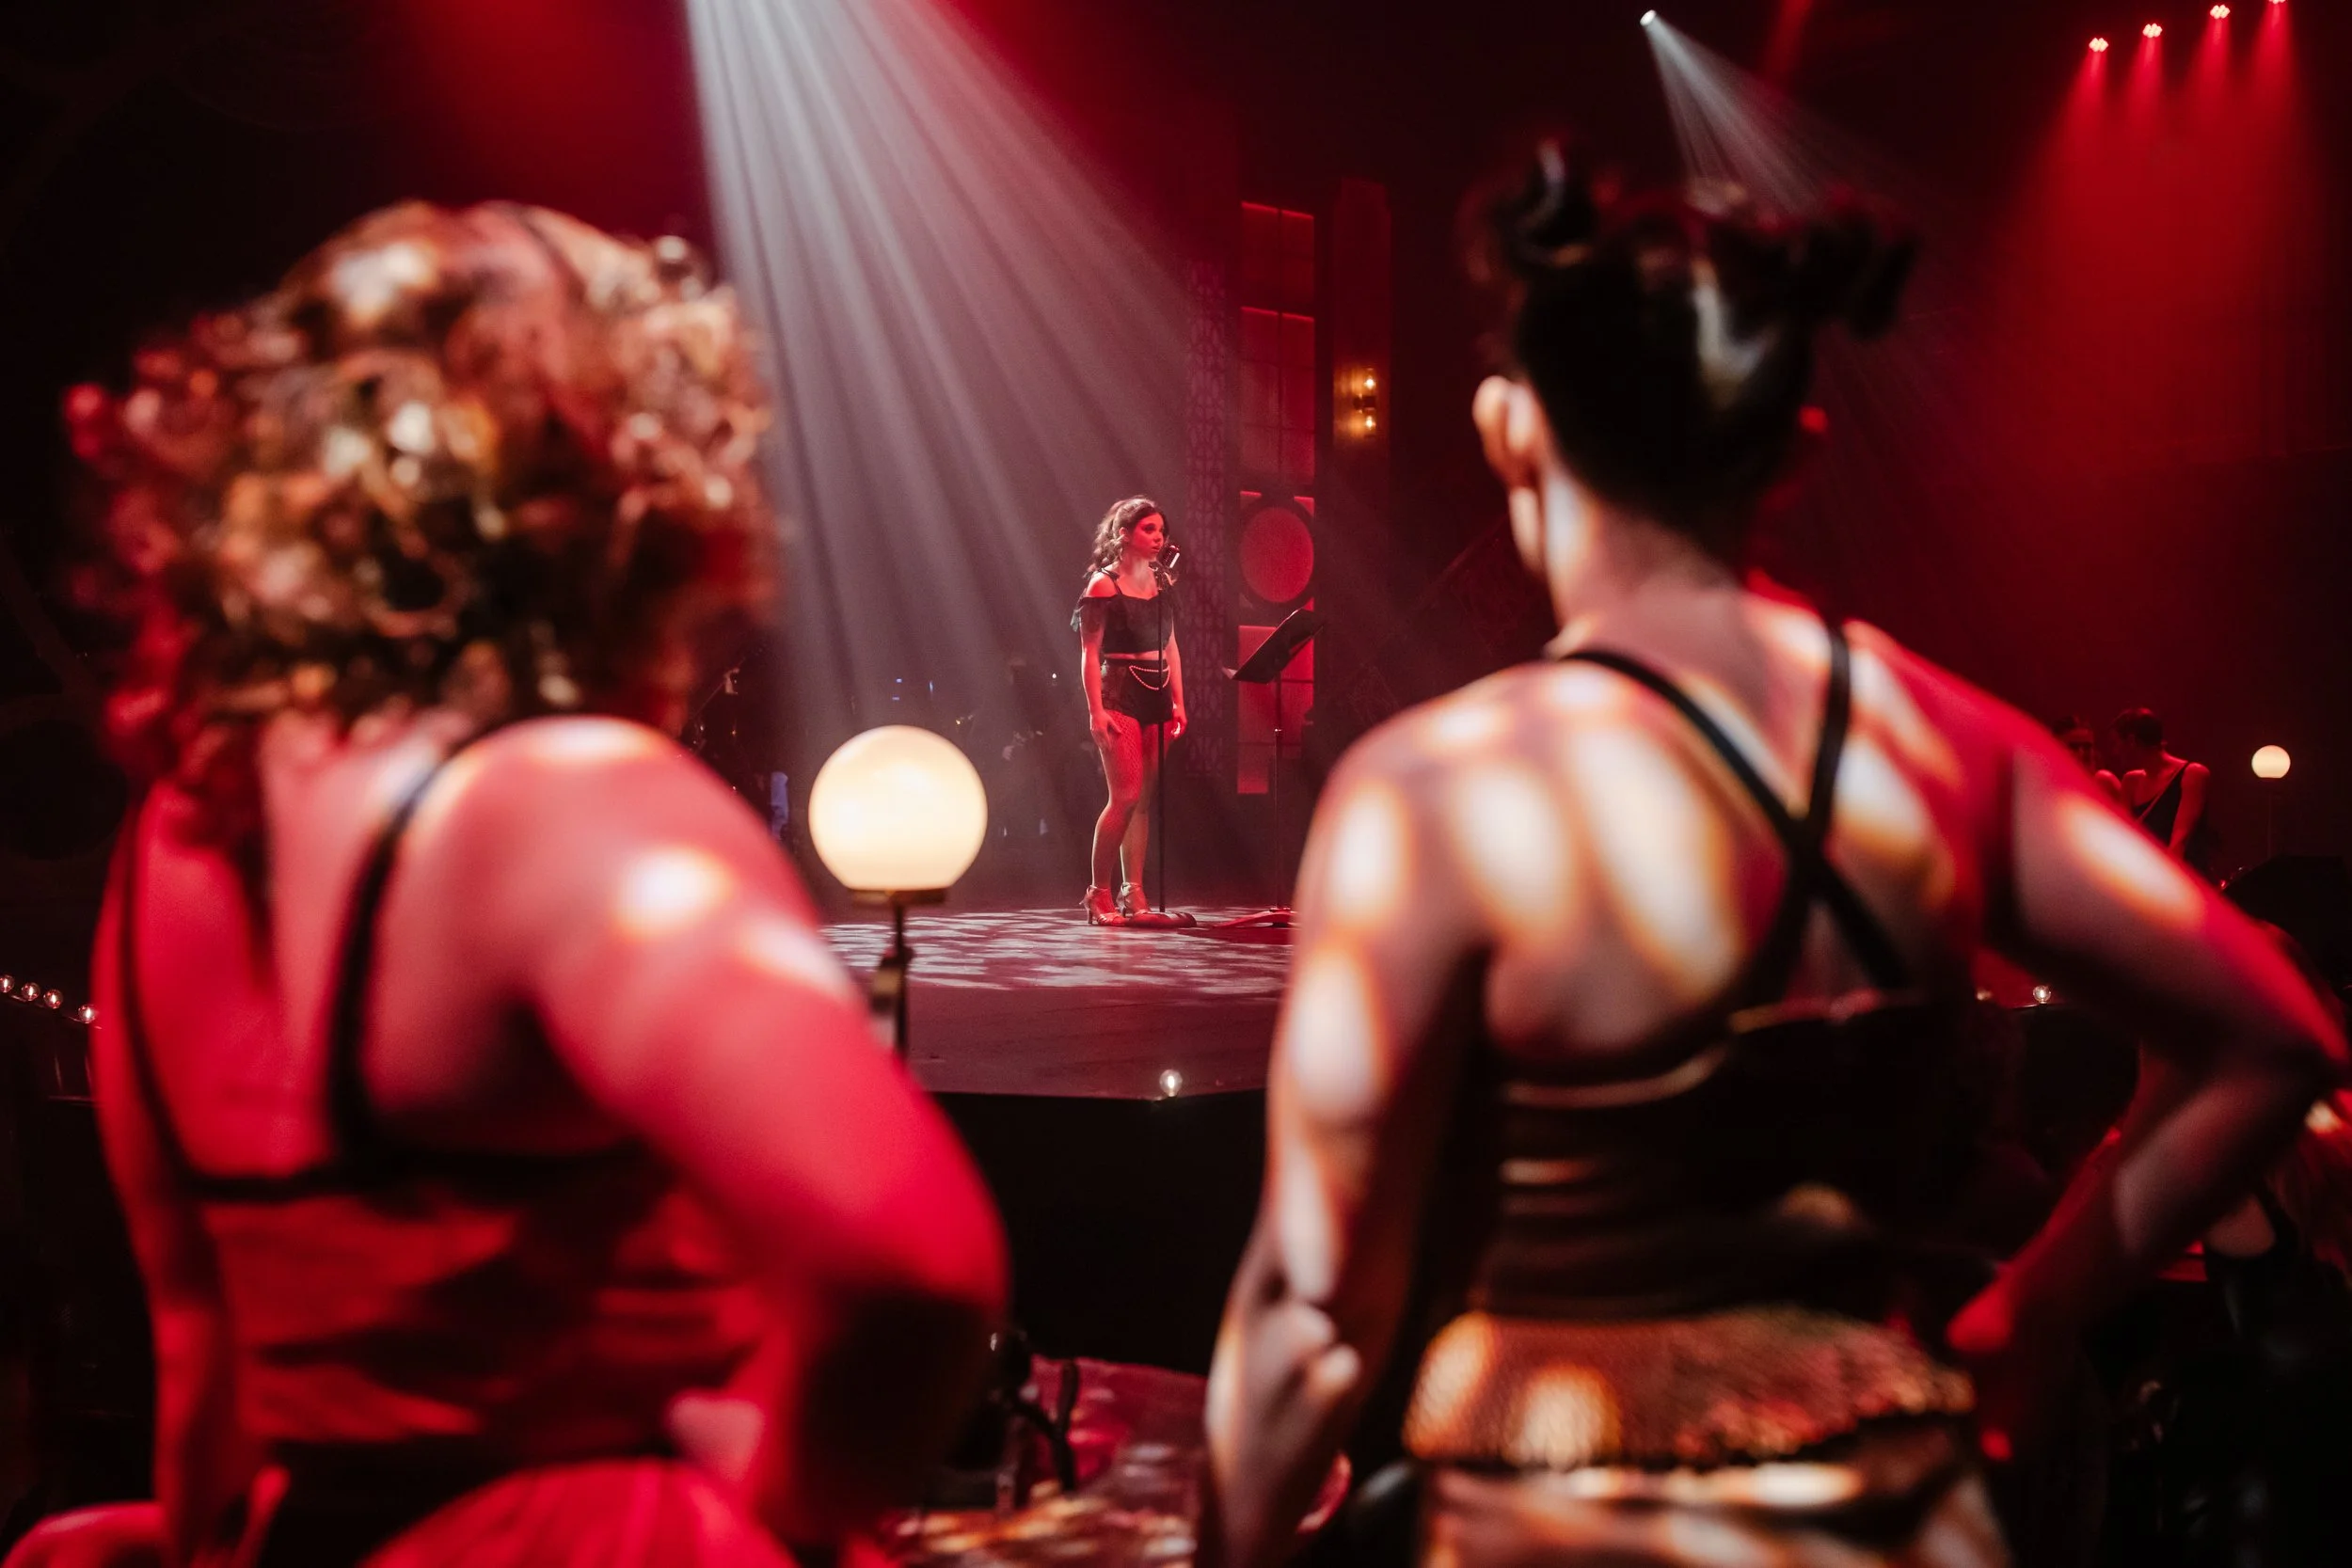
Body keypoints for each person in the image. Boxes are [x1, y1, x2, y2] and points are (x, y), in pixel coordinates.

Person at [1199, 142, 2344, 1568]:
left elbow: (1313, 1306)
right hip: (1890, 1509)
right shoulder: (1943, 745)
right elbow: (2271, 1036)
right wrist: (2034, 1313)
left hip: (1561, 1516)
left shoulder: (1445, 788)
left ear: (1508, 426)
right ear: (1796, 449)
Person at [19, 202, 1006, 1567]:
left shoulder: (181, 830)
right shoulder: (562, 806)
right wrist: (774, 1488)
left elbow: (203, 1376)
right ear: (624, 486)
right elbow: (913, 1268)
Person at [1073, 497, 1188, 927]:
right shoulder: (1103, 585)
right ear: (1124, 534)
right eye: (1149, 530)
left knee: (1142, 801)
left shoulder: (1163, 582)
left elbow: (1171, 645)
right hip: (1119, 689)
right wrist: (1095, 711)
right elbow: (1088, 653)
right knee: (1123, 796)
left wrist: (1180, 700)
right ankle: (1097, 894)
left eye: (1161, 530)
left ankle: (1133, 892)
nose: (1158, 538)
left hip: (1157, 690)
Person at [2114, 708, 2215, 879]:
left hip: (2182, 882)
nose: (2115, 751)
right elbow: (2124, 840)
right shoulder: (2130, 781)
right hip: (2146, 880)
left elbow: (2179, 844)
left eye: (2117, 744)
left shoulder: (2193, 774)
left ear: (2131, 741)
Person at [2051, 714, 2123, 806]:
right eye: (2074, 747)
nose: (2081, 752)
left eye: (2087, 747)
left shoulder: (2104, 783)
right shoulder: (2046, 788)